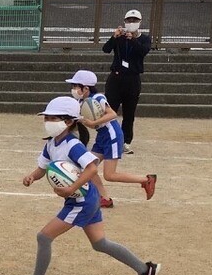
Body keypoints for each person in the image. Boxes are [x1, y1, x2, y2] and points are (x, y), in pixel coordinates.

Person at [6, 96, 160, 275]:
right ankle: (144, 270)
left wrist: (71, 187)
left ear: (69, 122)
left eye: (52, 118)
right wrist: (32, 177)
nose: (47, 122)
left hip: (82, 201)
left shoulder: (72, 144)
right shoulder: (52, 144)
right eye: (46, 118)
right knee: (100, 243)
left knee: (44, 237)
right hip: (87, 198)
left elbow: (92, 167)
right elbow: (43, 167)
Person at [66, 69, 156, 207]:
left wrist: (92, 123)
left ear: (85, 88)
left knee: (110, 175)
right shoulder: (82, 102)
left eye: (75, 86)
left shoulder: (98, 98)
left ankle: (145, 179)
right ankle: (105, 198)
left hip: (111, 135)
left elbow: (112, 114)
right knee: (87, 166)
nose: (73, 89)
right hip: (103, 136)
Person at [101, 8, 151, 153]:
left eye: (134, 21)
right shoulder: (119, 37)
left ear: (140, 22)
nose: (131, 23)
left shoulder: (144, 39)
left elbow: (143, 51)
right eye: (129, 20)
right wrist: (114, 37)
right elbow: (106, 49)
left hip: (133, 79)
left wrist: (133, 39)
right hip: (116, 78)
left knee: (129, 113)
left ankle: (126, 141)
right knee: (109, 111)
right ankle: (106, 139)